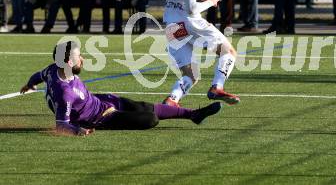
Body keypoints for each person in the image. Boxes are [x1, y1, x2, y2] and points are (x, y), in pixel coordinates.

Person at [19, 41, 222, 136]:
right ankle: (191, 115)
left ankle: (193, 115)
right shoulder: (65, 94)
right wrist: (79, 131)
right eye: (79, 57)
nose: (83, 58)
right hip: (101, 118)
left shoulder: (52, 69)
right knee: (149, 119)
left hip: (99, 101)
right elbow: (61, 124)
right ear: (68, 62)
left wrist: (30, 84)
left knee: (143, 105)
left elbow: (38, 76)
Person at [162, 0, 240, 107]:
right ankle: (217, 87)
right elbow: (191, 10)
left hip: (172, 26)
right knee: (229, 52)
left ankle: (172, 100)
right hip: (190, 23)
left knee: (191, 75)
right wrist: (211, 2)